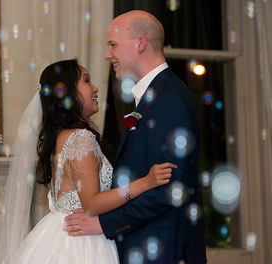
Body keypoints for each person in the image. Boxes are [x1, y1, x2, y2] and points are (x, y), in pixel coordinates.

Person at [0, 59, 177, 264]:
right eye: (86, 81)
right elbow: (92, 204)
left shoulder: (61, 136)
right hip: (80, 244)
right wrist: (146, 182)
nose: (95, 89)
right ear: (67, 92)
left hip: (58, 235)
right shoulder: (80, 138)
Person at [65, 10, 207, 264]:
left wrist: (104, 224)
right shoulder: (156, 95)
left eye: (113, 45)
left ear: (140, 44)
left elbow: (169, 188)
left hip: (165, 249)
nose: (108, 55)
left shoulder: (168, 99)